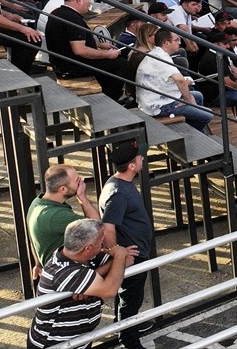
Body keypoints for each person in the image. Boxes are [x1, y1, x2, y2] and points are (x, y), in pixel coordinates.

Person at [27, 219, 137, 349]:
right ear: (88, 248)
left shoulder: (77, 256)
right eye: (100, 241)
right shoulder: (62, 271)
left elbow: (126, 260)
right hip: (54, 344)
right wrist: (119, 256)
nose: (104, 245)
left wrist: (89, 283)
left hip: (79, 340)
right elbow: (109, 289)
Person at [98, 141, 154, 349]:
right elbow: (108, 227)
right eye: (139, 157)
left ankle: (123, 325)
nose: (142, 159)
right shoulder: (119, 193)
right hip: (133, 255)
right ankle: (129, 339)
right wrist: (118, 254)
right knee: (131, 298)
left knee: (128, 296)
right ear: (131, 166)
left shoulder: (119, 184)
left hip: (135, 251)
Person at [44, 0, 131, 101]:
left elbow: (71, 41)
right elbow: (80, 50)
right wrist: (107, 55)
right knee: (121, 63)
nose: (90, 2)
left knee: (115, 61)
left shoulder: (58, 12)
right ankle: (110, 99)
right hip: (72, 67)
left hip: (63, 63)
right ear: (79, 0)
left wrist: (100, 45)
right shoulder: (72, 18)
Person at [135, 29, 213, 132]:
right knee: (207, 115)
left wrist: (187, 93)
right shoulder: (161, 57)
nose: (180, 42)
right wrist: (188, 100)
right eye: (177, 40)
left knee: (198, 95)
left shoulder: (158, 53)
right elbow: (179, 80)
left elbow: (171, 78)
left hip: (158, 96)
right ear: (166, 43)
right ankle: (192, 135)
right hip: (157, 105)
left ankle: (195, 129)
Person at [27, 164, 102, 267]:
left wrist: (38, 264)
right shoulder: (57, 216)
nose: (82, 181)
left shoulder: (37, 202)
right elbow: (96, 226)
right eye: (77, 180)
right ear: (63, 189)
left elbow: (34, 240)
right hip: (67, 271)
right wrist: (82, 197)